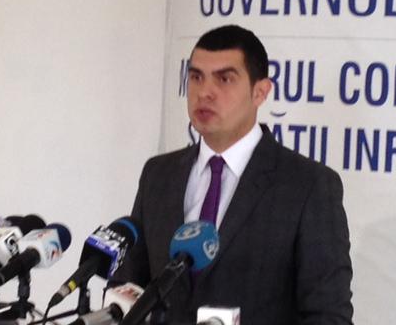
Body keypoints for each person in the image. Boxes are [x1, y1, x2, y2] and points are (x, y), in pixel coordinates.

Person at [116, 25, 353, 324]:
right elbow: (129, 287)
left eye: (224, 79)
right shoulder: (159, 175)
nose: (205, 92)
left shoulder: (308, 186)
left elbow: (328, 315)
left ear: (260, 92)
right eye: (196, 77)